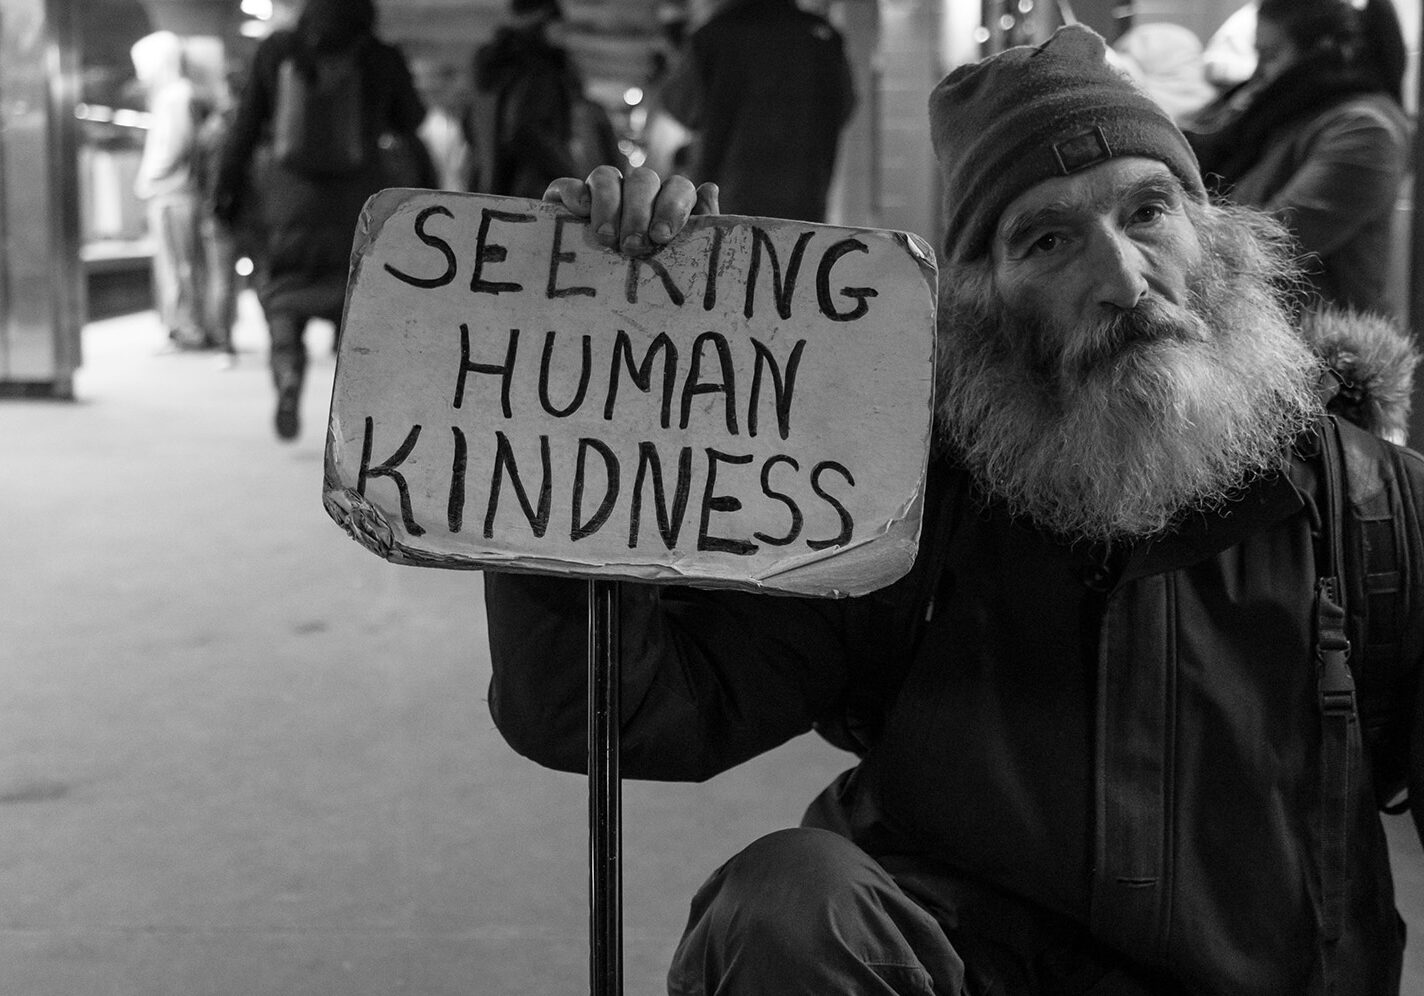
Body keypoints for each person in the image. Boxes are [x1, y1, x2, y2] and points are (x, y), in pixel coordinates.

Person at [484, 24, 1424, 995]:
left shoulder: (1376, 516)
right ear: (984, 303)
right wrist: (594, 399)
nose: (1121, 279)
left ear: (1214, 233)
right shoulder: (893, 500)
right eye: (1047, 241)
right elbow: (618, 710)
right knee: (789, 899)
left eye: (1147, 211)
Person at [212, 0, 432, 441]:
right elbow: (412, 119)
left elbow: (245, 126)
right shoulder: (378, 55)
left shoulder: (278, 50)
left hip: (288, 199)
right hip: (358, 201)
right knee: (358, 300)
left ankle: (288, 372)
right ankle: (359, 411)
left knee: (284, 293)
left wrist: (226, 192)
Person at [1184, 0, 1412, 316]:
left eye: (1270, 56)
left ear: (1322, 51)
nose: (1259, 73)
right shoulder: (1286, 114)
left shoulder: (1364, 130)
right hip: (1261, 326)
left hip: (1320, 340)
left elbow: (1267, 247)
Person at [658, 0, 856, 223]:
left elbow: (679, 103)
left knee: (730, 244)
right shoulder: (824, 38)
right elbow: (845, 107)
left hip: (727, 198)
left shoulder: (713, 35)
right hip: (805, 198)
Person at [130, 30, 206, 352]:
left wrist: (147, 178)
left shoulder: (175, 97)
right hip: (174, 193)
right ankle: (185, 326)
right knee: (180, 266)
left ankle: (186, 329)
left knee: (177, 267)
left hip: (172, 194)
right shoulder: (176, 96)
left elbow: (176, 145)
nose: (141, 75)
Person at [467, 0, 586, 198]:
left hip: (494, 185)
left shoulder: (498, 69)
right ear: (544, 23)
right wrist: (568, 173)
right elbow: (525, 129)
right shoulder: (539, 72)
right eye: (558, 24)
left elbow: (470, 127)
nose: (564, 33)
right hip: (534, 191)